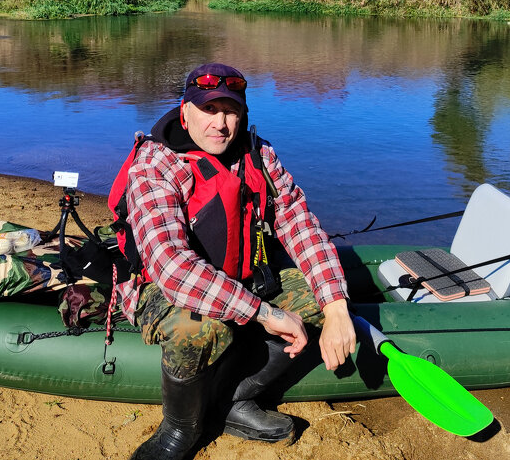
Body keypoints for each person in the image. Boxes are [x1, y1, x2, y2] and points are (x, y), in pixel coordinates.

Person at [107, 62, 356, 460]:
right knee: (200, 328)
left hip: (239, 275)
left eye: (231, 111)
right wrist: (265, 314)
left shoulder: (260, 155)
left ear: (243, 114)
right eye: (209, 110)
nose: (220, 124)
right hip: (160, 286)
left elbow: (299, 225)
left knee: (318, 300)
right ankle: (180, 431)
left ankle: (233, 401)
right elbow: (172, 267)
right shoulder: (155, 165)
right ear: (185, 113)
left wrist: (336, 306)